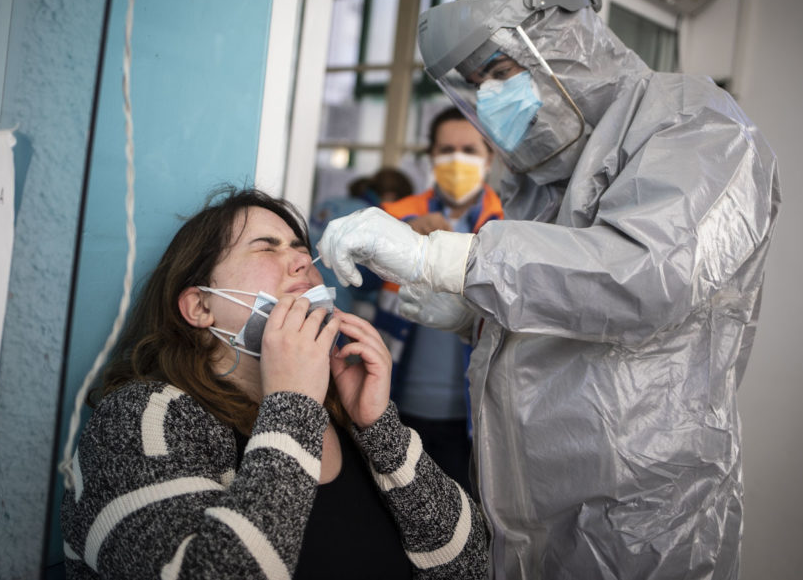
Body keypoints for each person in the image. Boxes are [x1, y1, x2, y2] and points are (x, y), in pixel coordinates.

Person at [318, 0, 780, 580]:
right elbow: (561, 309)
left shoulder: (694, 124)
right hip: (525, 499)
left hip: (640, 509)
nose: (489, 96)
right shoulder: (539, 177)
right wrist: (474, 316)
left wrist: (447, 257)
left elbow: (649, 278)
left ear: (565, 41)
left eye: (501, 70)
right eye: (476, 81)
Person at [60, 186, 488, 579]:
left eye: (302, 248)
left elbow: (469, 563)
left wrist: (379, 428)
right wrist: (292, 402)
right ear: (199, 306)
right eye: (267, 248)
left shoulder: (342, 413)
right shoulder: (138, 419)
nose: (304, 261)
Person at [374, 107, 503, 491]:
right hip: (394, 406)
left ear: (489, 157)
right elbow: (358, 282)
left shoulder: (508, 226)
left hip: (476, 420)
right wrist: (401, 241)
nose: (457, 159)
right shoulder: (395, 216)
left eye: (469, 149)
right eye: (447, 149)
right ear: (431, 155)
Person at [309, 167, 414, 314]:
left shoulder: (332, 202)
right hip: (333, 299)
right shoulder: (370, 219)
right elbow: (365, 280)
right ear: (390, 197)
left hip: (302, 284)